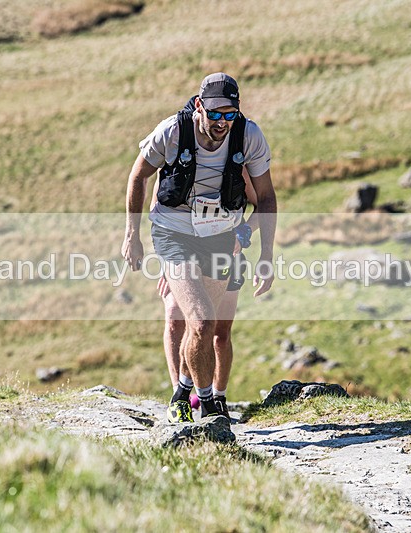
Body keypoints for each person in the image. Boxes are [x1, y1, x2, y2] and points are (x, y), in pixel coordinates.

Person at [122, 72, 277, 423]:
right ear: (199, 107)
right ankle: (207, 405)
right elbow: (138, 176)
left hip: (222, 236)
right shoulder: (172, 131)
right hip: (173, 234)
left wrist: (266, 256)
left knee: (206, 328)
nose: (223, 122)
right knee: (201, 320)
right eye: (216, 114)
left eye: (230, 114)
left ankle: (183, 393)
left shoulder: (248, 135)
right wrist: (132, 236)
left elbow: (266, 198)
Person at [154, 161, 260, 421]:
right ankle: (180, 397)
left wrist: (243, 233)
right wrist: (166, 262)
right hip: (181, 251)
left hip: (225, 255)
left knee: (219, 334)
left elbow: (262, 205)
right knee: (176, 320)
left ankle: (218, 397)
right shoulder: (174, 159)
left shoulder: (236, 164)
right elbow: (158, 210)